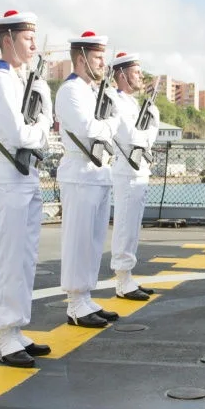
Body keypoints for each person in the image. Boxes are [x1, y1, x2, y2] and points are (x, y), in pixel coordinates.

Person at [0, 10, 55, 367]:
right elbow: (20, 134)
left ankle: (18, 327)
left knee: (25, 257)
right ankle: (5, 336)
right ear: (7, 40)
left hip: (27, 175)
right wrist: (40, 128)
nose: (34, 45)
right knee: (9, 257)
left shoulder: (22, 80)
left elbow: (38, 128)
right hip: (8, 176)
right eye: (27, 38)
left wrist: (42, 109)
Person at [55, 31, 121, 328]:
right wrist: (106, 124)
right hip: (80, 173)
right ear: (81, 58)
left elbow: (110, 124)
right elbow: (90, 128)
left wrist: (106, 124)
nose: (102, 63)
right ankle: (74, 303)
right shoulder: (70, 91)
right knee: (78, 240)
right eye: (97, 57)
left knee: (93, 241)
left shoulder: (92, 91)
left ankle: (85, 296)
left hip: (97, 172)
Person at [107, 51, 160, 299]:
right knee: (125, 226)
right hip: (126, 171)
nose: (140, 76)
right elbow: (132, 138)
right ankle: (122, 279)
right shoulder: (116, 101)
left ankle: (127, 276)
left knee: (133, 226)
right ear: (122, 74)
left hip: (138, 170)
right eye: (136, 72)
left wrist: (152, 118)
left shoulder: (133, 103)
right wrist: (150, 127)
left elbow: (146, 139)